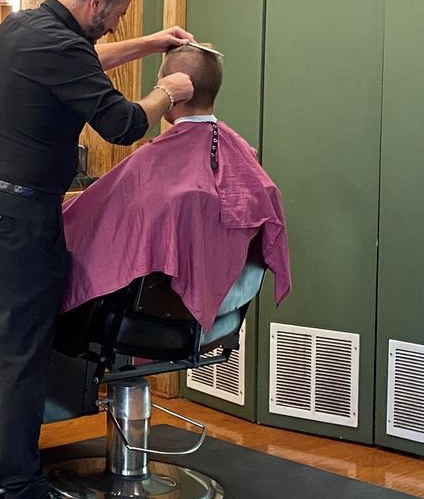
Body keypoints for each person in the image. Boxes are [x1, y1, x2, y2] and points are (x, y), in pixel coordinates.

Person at [0, 0, 195, 499]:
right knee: (22, 355)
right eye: (115, 17)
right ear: (96, 4)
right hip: (18, 214)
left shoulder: (17, 28)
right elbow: (124, 125)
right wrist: (167, 90)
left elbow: (86, 60)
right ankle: (22, 490)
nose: (114, 27)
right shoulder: (63, 48)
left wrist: (150, 42)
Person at [60, 43, 292, 329]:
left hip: (146, 319)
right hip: (214, 319)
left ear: (171, 91)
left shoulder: (150, 159)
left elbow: (85, 223)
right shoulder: (243, 155)